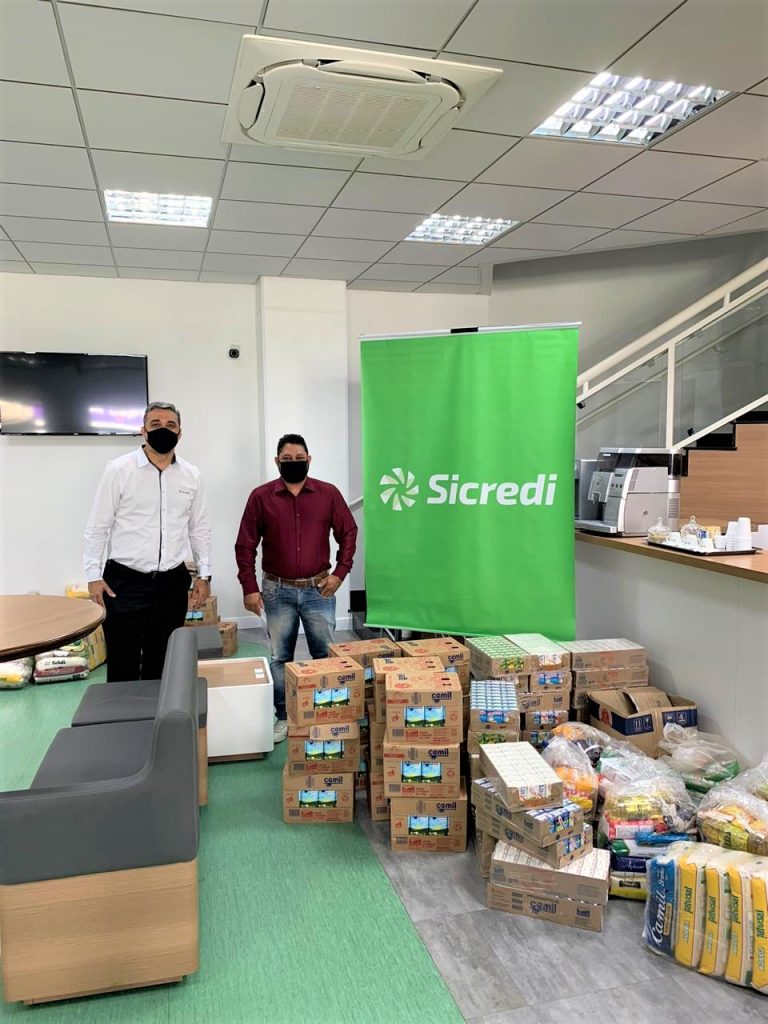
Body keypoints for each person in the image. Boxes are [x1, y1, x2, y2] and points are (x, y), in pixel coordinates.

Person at [235, 433, 357, 742]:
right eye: (287, 459)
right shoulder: (261, 497)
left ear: (309, 459)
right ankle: (283, 716)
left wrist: (340, 573)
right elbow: (245, 544)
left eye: (299, 459)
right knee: (280, 658)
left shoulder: (328, 494)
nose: (293, 463)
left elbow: (349, 531)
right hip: (277, 592)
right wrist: (249, 586)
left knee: (325, 656)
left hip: (319, 589)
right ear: (277, 462)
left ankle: (326, 715)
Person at [84, 402, 212, 682]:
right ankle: (123, 709)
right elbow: (98, 526)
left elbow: (199, 528)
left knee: (163, 659)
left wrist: (204, 575)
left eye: (170, 425)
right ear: (143, 431)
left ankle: (157, 709)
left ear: (180, 433)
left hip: (171, 583)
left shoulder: (191, 475)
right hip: (125, 583)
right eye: (155, 424)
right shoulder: (119, 470)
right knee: (123, 660)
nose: (163, 430)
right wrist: (93, 576)